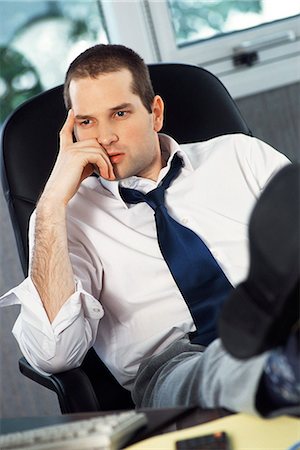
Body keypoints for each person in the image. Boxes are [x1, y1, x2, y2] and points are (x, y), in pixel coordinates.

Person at [1, 44, 298, 416]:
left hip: (281, 322)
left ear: (155, 113)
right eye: (86, 122)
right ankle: (279, 374)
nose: (104, 136)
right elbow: (54, 354)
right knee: (204, 372)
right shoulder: (70, 217)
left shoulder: (240, 156)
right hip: (176, 367)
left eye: (120, 113)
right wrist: (48, 207)